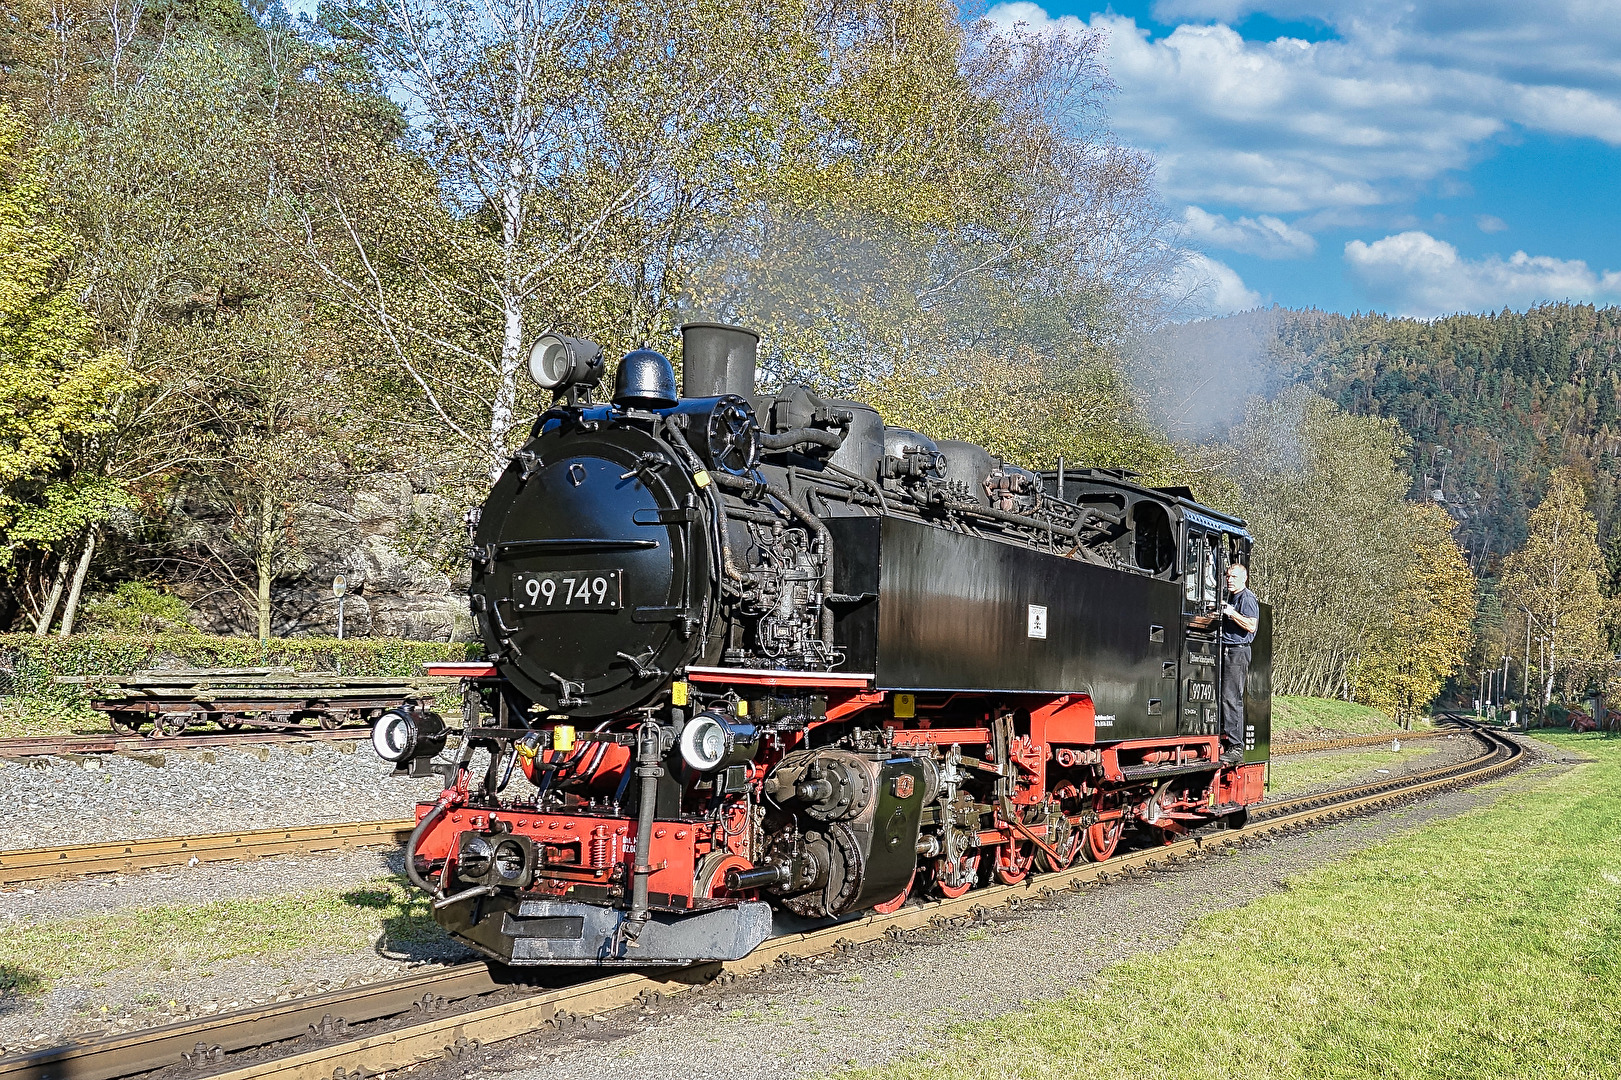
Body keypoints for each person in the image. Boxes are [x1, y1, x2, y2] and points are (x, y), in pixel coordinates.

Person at [1218, 563, 1259, 766]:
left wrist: (1231, 613)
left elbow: (1252, 625)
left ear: (1244, 579)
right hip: (1226, 649)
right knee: (1223, 695)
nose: (1229, 579)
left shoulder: (1247, 598)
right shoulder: (1230, 597)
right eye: (1227, 576)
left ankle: (1236, 747)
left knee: (1231, 697)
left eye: (1233, 577)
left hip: (1238, 651)